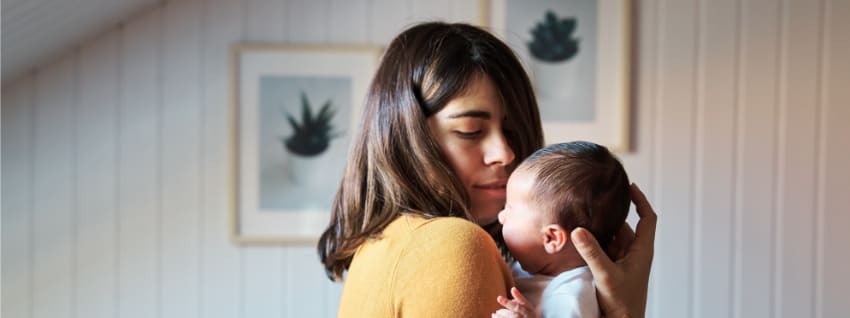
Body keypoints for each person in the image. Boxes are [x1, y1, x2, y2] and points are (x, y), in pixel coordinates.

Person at [316, 21, 657, 317]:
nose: (506, 154)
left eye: (511, 131)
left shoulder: (383, 243)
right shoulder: (453, 245)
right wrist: (624, 310)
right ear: (407, 138)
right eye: (470, 132)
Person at [493, 141, 631, 318]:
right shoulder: (533, 267)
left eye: (509, 208)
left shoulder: (571, 297)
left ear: (551, 238)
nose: (501, 216)